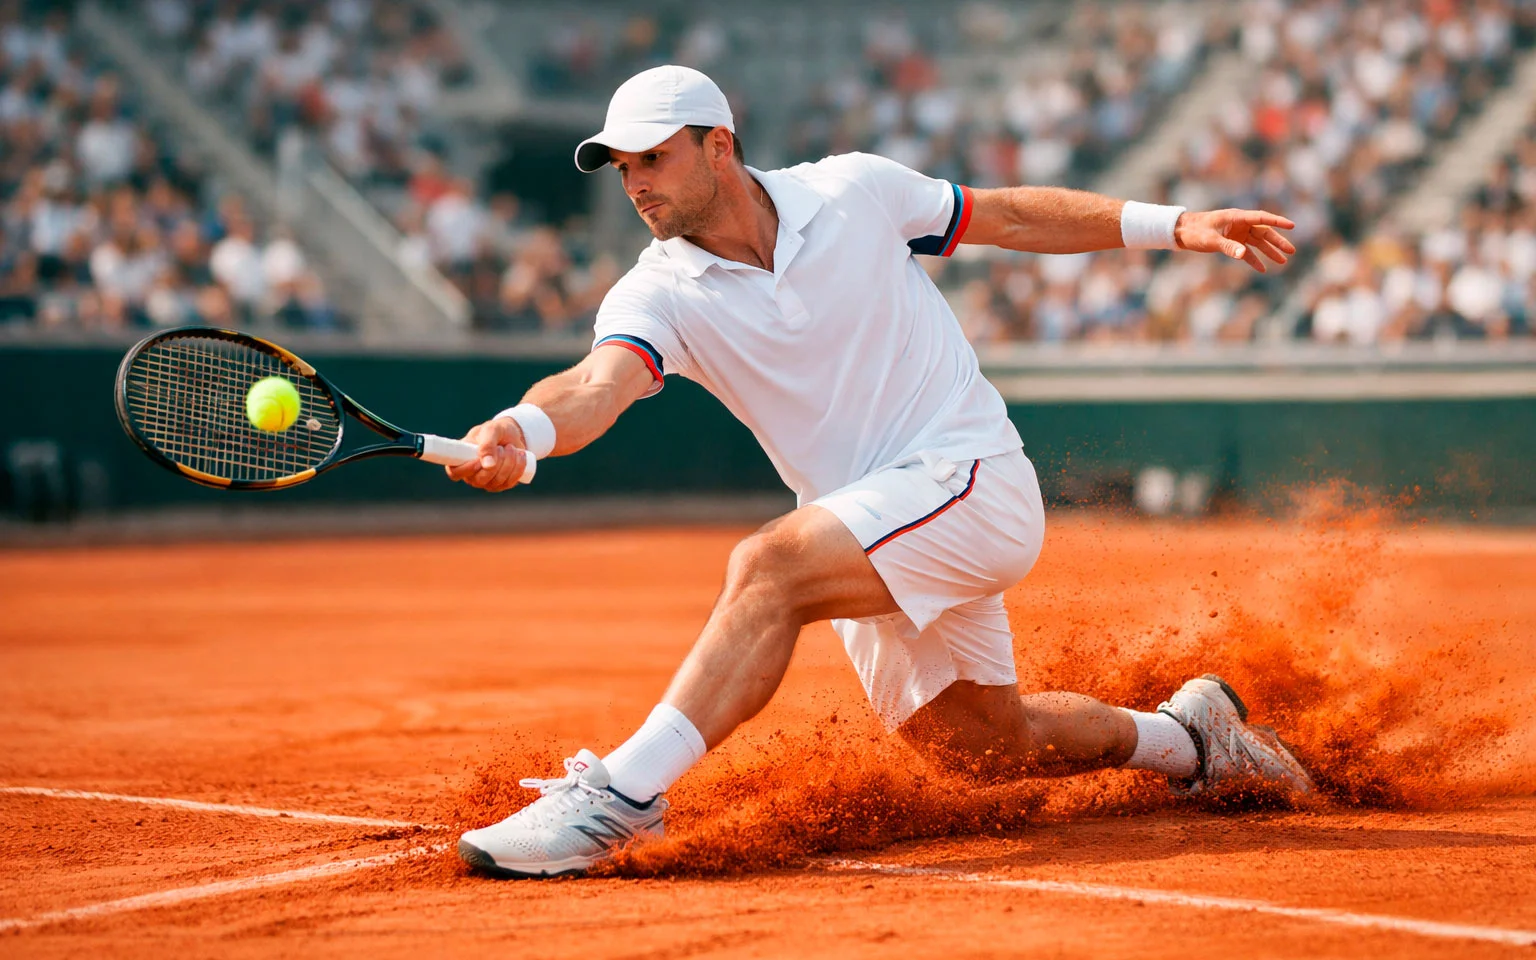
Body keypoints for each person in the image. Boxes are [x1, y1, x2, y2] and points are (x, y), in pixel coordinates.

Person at [449, 66, 1310, 878]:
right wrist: (524, 427)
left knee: (768, 566)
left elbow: (1006, 216)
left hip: (970, 477)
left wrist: (1173, 224)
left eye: (654, 158)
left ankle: (620, 798)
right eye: (623, 167)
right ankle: (1192, 739)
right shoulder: (659, 292)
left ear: (719, 145)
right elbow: (598, 384)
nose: (636, 183)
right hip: (864, 521)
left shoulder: (850, 189)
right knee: (983, 746)